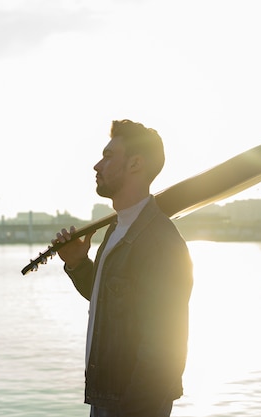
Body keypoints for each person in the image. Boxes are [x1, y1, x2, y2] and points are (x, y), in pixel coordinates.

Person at [52, 119, 194, 417]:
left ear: (135, 164)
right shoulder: (116, 229)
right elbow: (110, 301)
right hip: (106, 397)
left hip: (132, 405)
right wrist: (78, 264)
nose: (97, 165)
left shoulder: (160, 243)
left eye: (108, 156)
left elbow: (163, 352)